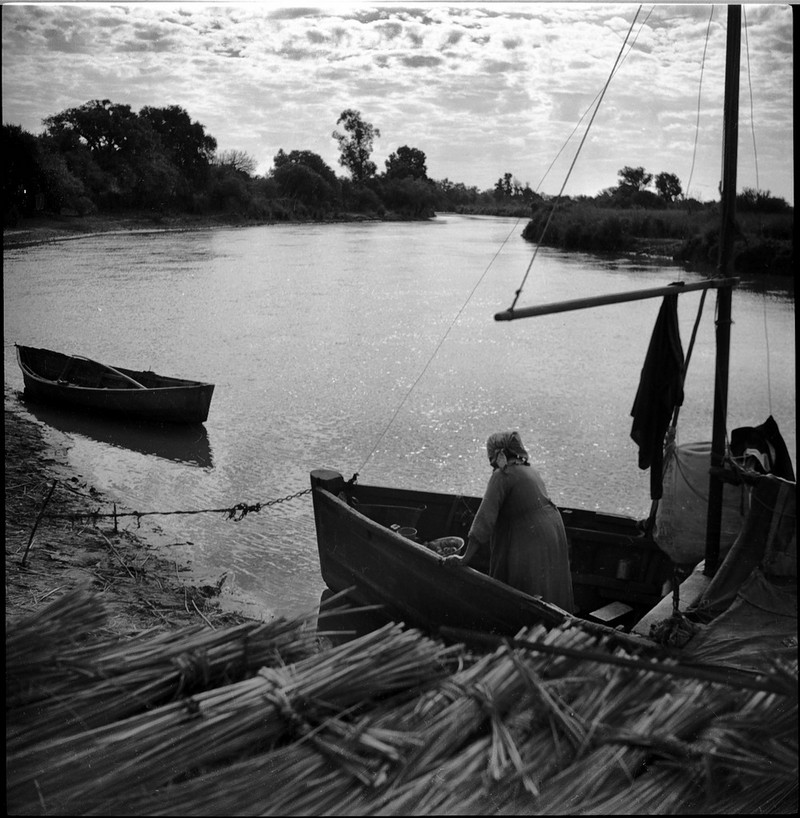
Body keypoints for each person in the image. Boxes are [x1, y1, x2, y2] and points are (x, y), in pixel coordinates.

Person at [444, 431, 575, 613]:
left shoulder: (502, 475)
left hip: (532, 534)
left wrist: (464, 558)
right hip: (553, 529)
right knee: (547, 585)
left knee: (527, 591)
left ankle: (526, 624)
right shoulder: (530, 470)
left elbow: (484, 520)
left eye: (490, 455)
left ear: (499, 454)